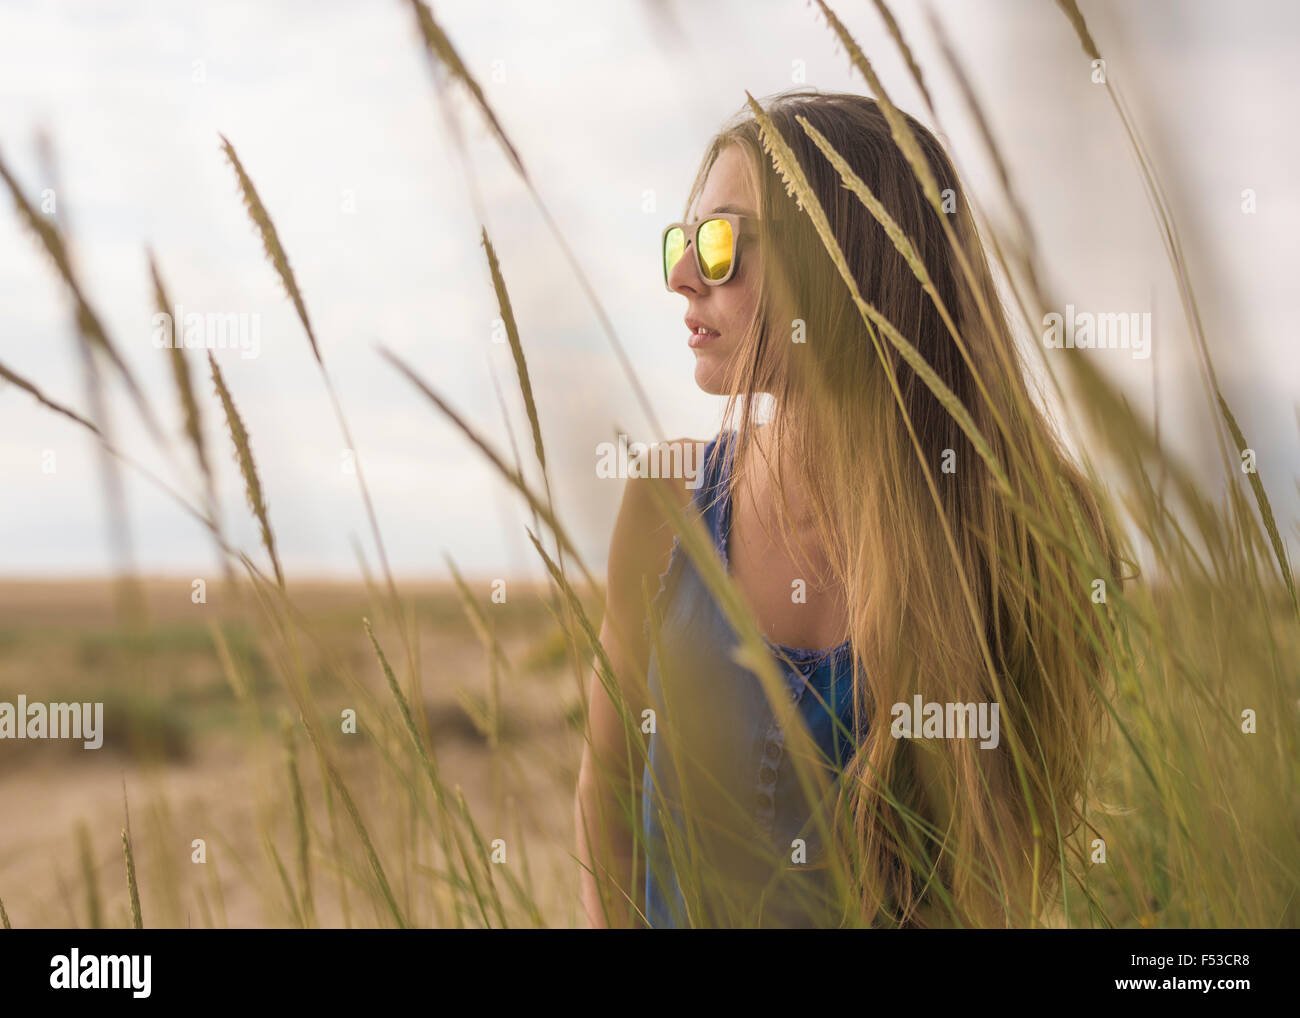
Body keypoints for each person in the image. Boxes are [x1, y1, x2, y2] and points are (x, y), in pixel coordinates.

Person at [574, 88, 1121, 929]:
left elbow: (992, 886)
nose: (683, 275)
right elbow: (606, 805)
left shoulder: (1017, 539)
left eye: (721, 244)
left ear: (846, 259)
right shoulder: (666, 507)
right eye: (685, 242)